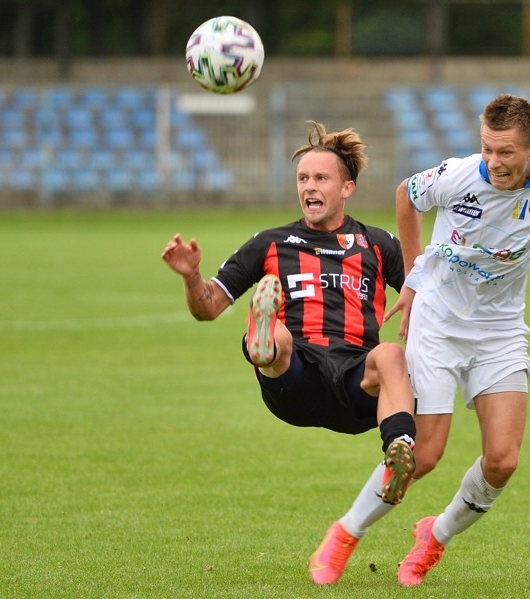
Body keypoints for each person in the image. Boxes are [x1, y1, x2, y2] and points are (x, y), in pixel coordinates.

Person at [161, 121, 417, 585]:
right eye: (303, 179)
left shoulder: (378, 244)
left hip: (356, 382)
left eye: (320, 179)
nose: (310, 187)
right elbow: (209, 307)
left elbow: (425, 292)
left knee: (393, 355)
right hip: (296, 377)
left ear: (347, 187)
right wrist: (191, 279)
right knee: (275, 332)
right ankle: (263, 341)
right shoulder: (271, 242)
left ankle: (399, 448)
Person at [385, 93, 530, 586]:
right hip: (440, 321)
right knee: (426, 455)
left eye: (506, 153)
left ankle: (434, 536)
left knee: (502, 460)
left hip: (499, 333)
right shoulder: (458, 176)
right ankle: (349, 523)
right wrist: (414, 275)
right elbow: (406, 195)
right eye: (487, 149)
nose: (494, 162)